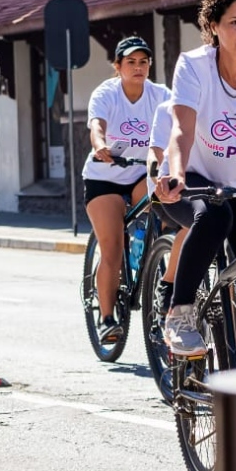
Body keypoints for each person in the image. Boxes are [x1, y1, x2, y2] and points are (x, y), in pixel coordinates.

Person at [157, 0, 236, 356]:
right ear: (213, 25)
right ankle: (180, 312)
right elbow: (181, 130)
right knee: (214, 217)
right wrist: (175, 173)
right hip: (193, 181)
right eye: (235, 22)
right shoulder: (194, 66)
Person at [81, 36, 170, 345]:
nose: (138, 67)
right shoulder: (107, 93)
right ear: (117, 67)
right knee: (112, 245)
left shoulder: (160, 94)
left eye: (143, 62)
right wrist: (101, 144)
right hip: (104, 176)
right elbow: (96, 125)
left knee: (161, 210)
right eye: (130, 62)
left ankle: (153, 261)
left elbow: (181, 124)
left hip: (140, 173)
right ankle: (107, 317)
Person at [146, 101, 188, 315]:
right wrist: (156, 177)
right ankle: (168, 282)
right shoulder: (166, 109)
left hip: (211, 187)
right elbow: (155, 153)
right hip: (166, 192)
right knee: (198, 222)